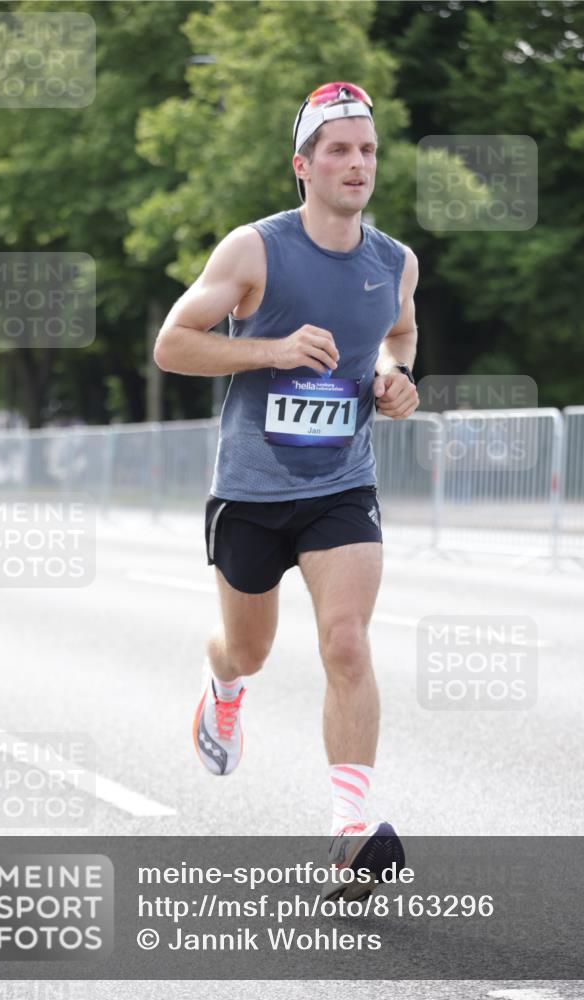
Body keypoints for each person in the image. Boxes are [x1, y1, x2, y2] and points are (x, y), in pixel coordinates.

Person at [154, 82, 419, 893]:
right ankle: (222, 685)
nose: (356, 163)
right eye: (337, 149)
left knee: (345, 642)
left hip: (341, 482)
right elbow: (173, 344)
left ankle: (348, 831)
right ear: (301, 165)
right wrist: (268, 352)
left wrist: (394, 376)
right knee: (251, 649)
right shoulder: (253, 251)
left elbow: (399, 332)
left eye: (366, 149)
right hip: (252, 486)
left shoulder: (393, 262)